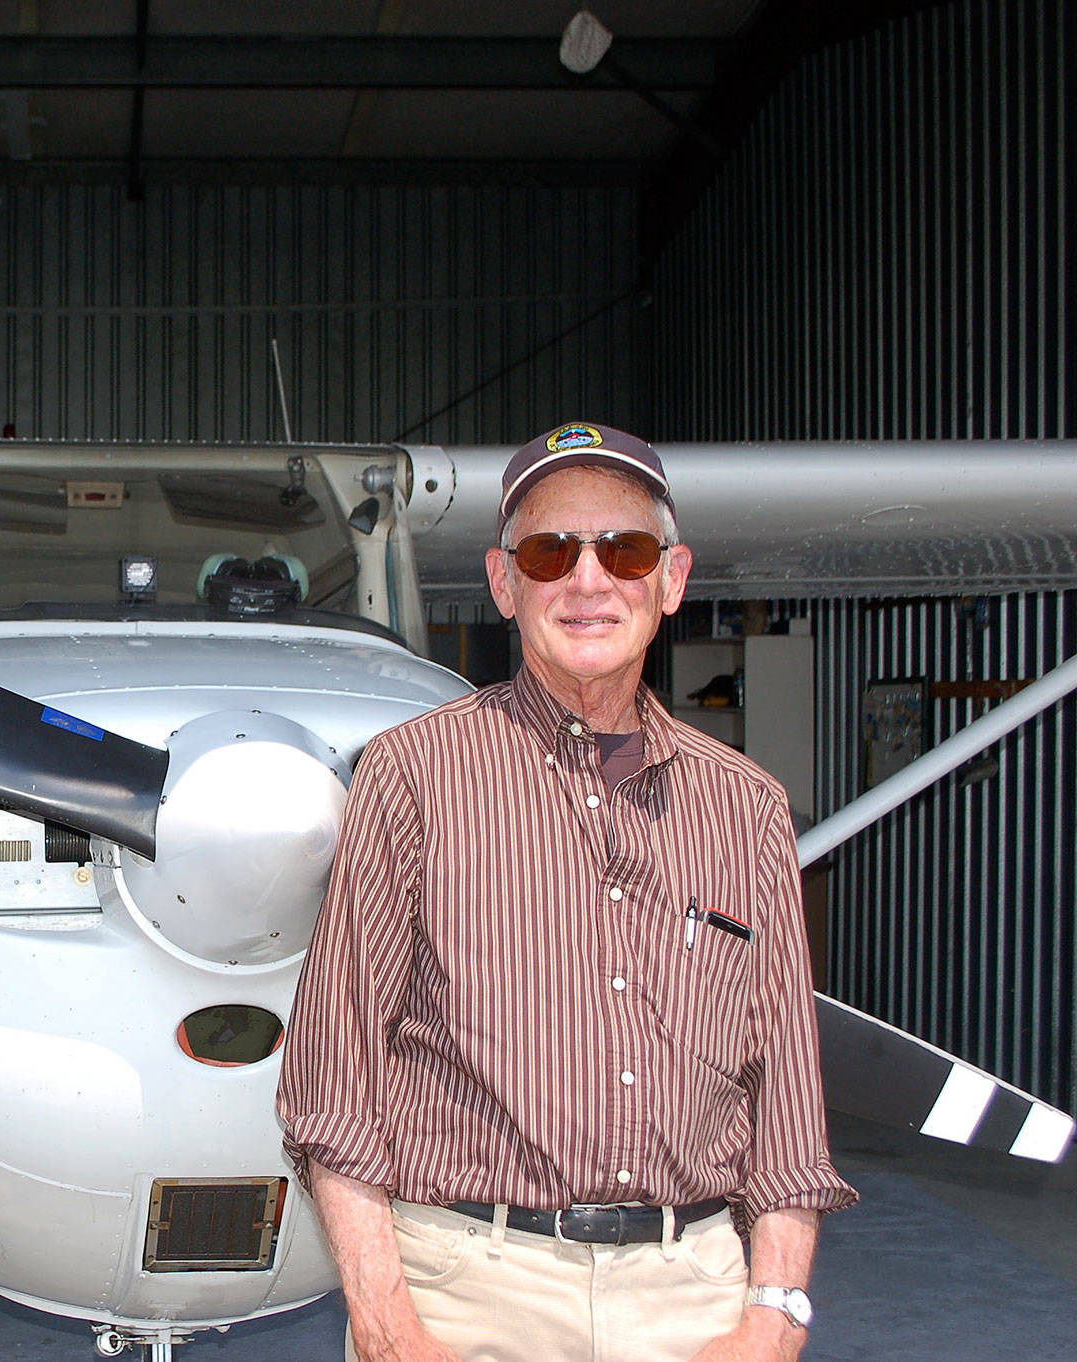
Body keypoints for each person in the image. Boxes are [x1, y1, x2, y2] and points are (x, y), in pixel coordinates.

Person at [277, 422, 856, 1362]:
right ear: (507, 584)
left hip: (696, 1296)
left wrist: (775, 1312)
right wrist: (385, 1318)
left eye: (624, 550)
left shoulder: (748, 808)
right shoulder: (411, 778)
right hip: (466, 1289)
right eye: (552, 551)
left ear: (671, 580)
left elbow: (788, 1099)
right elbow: (332, 1080)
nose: (589, 581)